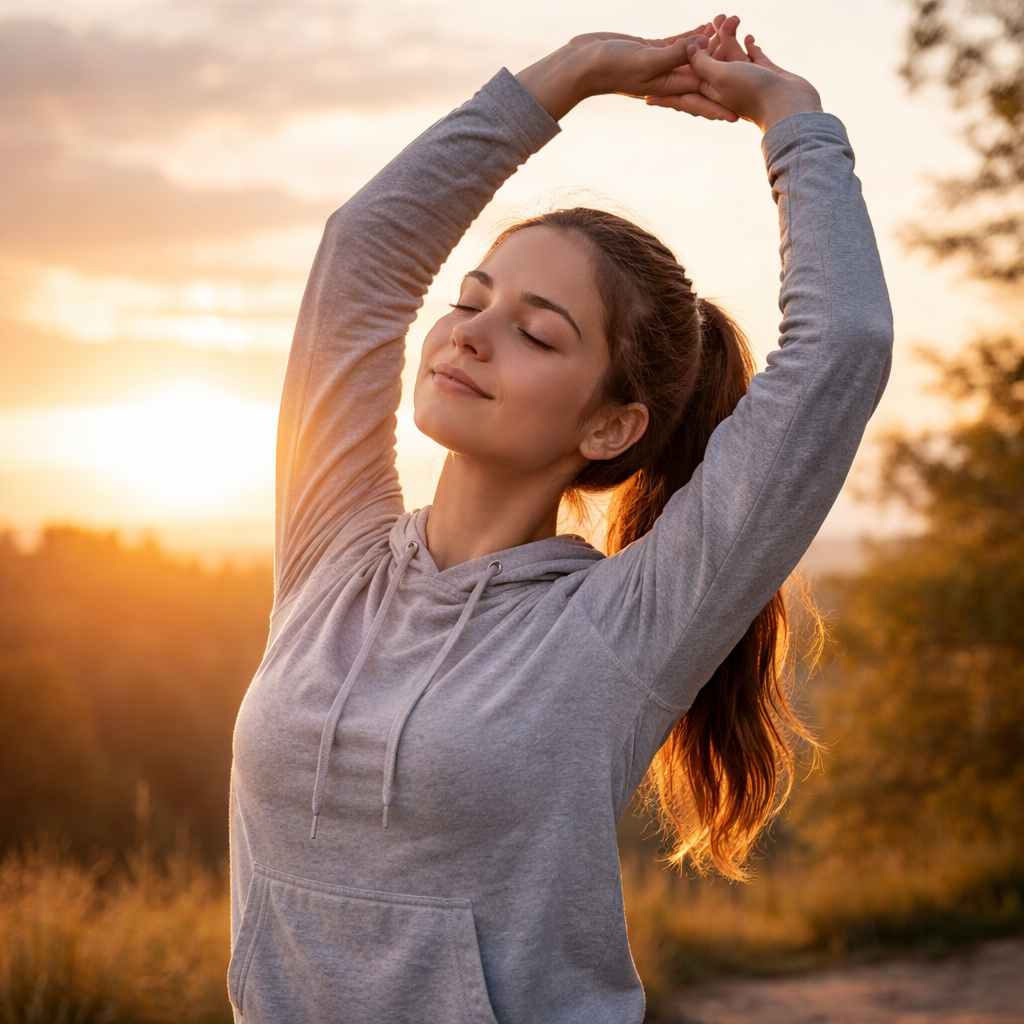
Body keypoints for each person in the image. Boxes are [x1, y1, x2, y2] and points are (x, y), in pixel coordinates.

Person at [228, 15, 892, 1024]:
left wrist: (791, 121)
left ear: (611, 423)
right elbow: (361, 256)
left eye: (537, 332)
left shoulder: (623, 624)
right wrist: (574, 73)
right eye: (472, 299)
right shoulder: (334, 555)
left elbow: (839, 346)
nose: (471, 336)